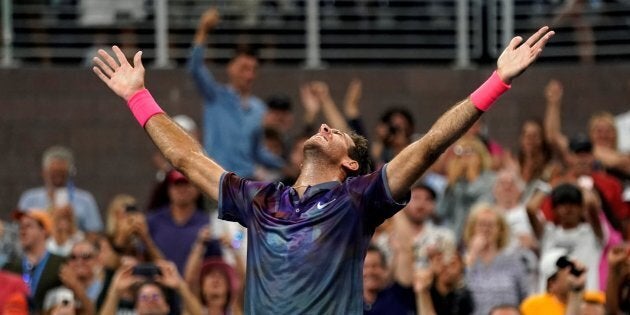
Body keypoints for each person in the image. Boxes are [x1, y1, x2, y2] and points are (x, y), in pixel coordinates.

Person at [92, 26, 554, 313]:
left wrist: (498, 80)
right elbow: (186, 158)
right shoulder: (261, 200)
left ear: (351, 163)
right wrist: (138, 96)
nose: (327, 125)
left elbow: (431, 144)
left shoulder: (358, 200)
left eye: (340, 135)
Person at [187, 8, 284, 179]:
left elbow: (256, 151)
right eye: (243, 68)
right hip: (217, 179)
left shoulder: (258, 108)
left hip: (245, 181)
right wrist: (203, 30)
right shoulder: (215, 95)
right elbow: (195, 69)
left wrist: (285, 165)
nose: (248, 75)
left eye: (253, 69)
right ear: (230, 68)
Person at [17, 146, 103, 234]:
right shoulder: (29, 199)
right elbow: (19, 230)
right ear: (44, 172)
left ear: (69, 173)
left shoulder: (85, 200)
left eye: (62, 173)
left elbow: (94, 233)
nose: (58, 177)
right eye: (54, 172)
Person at [2, 210, 66, 312]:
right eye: (21, 227)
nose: (22, 231)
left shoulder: (60, 264)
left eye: (28, 226)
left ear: (44, 230)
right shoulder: (10, 266)